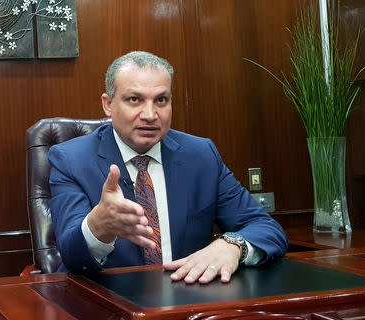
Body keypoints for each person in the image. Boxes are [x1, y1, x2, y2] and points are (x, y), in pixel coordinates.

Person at [48, 51, 289, 284]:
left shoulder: (201, 155)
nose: (151, 114)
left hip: (188, 302)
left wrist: (233, 245)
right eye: (135, 99)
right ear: (108, 104)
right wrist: (98, 226)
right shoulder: (71, 159)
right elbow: (71, 256)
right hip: (105, 303)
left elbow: (267, 229)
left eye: (161, 100)